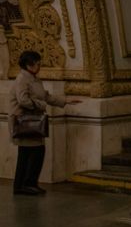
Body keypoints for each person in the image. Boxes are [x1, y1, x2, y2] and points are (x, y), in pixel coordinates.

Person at [10, 50, 81, 195]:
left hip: (31, 121)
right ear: (29, 65)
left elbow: (46, 96)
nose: (39, 66)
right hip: (25, 121)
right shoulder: (22, 79)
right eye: (37, 63)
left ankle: (24, 185)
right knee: (32, 152)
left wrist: (65, 101)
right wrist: (41, 105)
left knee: (29, 153)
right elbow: (23, 100)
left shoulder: (34, 79)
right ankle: (26, 184)